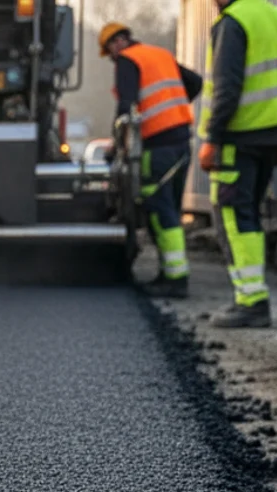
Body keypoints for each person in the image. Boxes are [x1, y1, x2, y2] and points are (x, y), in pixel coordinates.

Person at [198, 0, 277, 328]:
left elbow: (226, 88)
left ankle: (251, 301)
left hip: (239, 136)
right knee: (250, 213)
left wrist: (212, 139)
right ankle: (252, 296)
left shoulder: (233, 22)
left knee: (233, 213)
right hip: (271, 137)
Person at [99, 22, 204, 298]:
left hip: (157, 145)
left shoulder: (127, 60)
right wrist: (175, 107)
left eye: (109, 52)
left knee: (159, 208)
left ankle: (176, 278)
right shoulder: (160, 55)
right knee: (171, 205)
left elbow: (127, 108)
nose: (112, 58)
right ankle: (168, 273)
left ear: (116, 44)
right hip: (181, 141)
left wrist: (116, 146)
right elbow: (196, 82)